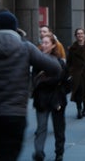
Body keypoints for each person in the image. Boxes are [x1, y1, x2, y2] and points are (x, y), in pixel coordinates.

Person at [0, 11, 62, 161]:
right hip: (14, 112)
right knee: (9, 155)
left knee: (0, 154)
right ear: (15, 28)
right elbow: (56, 68)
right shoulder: (25, 47)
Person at [32, 33, 69, 161]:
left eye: (47, 42)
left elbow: (62, 80)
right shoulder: (37, 62)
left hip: (57, 98)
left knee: (59, 128)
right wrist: (49, 80)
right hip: (41, 99)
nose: (44, 45)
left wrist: (45, 80)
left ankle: (59, 153)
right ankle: (39, 152)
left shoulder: (60, 62)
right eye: (43, 42)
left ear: (53, 45)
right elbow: (35, 81)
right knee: (41, 127)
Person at [67, 27, 85, 119]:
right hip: (76, 73)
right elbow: (69, 61)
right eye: (78, 34)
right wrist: (70, 72)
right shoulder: (73, 47)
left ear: (84, 35)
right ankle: (79, 110)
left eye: (81, 33)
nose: (80, 35)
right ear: (75, 36)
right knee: (78, 92)